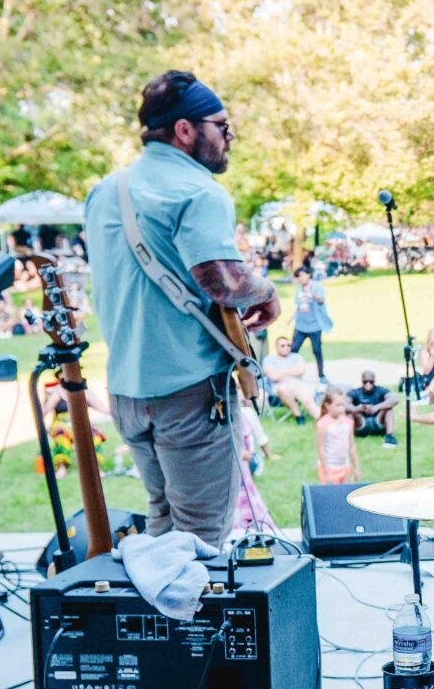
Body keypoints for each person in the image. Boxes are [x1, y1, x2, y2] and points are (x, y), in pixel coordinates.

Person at [83, 70, 279, 550]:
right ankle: (190, 629)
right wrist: (267, 291)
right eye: (222, 125)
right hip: (190, 393)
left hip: (127, 391)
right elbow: (222, 281)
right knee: (200, 540)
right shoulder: (200, 191)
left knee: (162, 525)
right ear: (186, 130)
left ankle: (158, 624)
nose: (230, 136)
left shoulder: (106, 190)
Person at [290, 264, 332, 377]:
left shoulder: (317, 286)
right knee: (293, 349)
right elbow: (298, 305)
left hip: (314, 326)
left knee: (317, 351)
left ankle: (321, 374)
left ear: (308, 275)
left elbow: (321, 300)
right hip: (300, 325)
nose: (300, 278)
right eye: (298, 276)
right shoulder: (298, 289)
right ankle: (291, 373)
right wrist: (291, 318)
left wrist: (311, 293)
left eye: (302, 275)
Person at [259, 337, 314, 422]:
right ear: (276, 347)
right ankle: (299, 416)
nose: (286, 347)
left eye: (288, 345)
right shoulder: (269, 359)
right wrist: (292, 372)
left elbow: (301, 371)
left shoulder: (297, 357)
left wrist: (280, 373)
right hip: (279, 387)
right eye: (283, 345)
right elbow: (273, 377)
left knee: (310, 393)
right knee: (283, 390)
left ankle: (321, 419)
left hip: (297, 384)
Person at [312, 393, 360, 485]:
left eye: (343, 405)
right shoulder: (323, 424)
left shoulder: (348, 422)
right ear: (327, 405)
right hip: (330, 466)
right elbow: (321, 449)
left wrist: (356, 467)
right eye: (338, 405)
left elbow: (352, 445)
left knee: (344, 494)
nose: (341, 408)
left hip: (344, 466)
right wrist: (327, 473)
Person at [346, 368, 396, 440]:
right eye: (365, 382)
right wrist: (357, 409)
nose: (368, 384)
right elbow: (344, 403)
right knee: (350, 413)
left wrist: (377, 407)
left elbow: (394, 399)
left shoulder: (380, 390)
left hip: (378, 421)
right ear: (362, 381)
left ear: (374, 381)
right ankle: (347, 438)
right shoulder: (355, 392)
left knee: (389, 410)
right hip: (361, 422)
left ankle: (390, 436)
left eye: (371, 382)